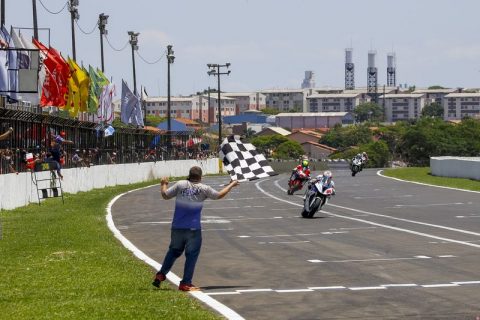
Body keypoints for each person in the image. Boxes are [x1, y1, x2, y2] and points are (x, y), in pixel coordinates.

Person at [152, 166, 239, 291]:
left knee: (173, 251)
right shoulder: (204, 188)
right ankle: (185, 283)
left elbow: (165, 195)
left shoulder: (181, 184)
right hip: (193, 228)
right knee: (191, 255)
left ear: (189, 175)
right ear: (200, 177)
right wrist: (231, 185)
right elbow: (218, 195)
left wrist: (163, 184)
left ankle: (160, 275)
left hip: (177, 227)